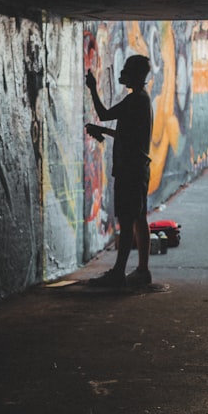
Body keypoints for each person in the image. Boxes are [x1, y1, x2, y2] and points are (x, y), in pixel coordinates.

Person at [85, 55, 154, 288]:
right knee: (138, 218)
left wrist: (93, 89)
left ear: (135, 74)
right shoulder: (142, 100)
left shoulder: (135, 100)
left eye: (126, 69)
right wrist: (103, 131)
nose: (122, 73)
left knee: (127, 221)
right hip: (139, 168)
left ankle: (119, 273)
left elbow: (104, 113)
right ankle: (142, 271)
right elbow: (130, 135)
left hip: (130, 170)